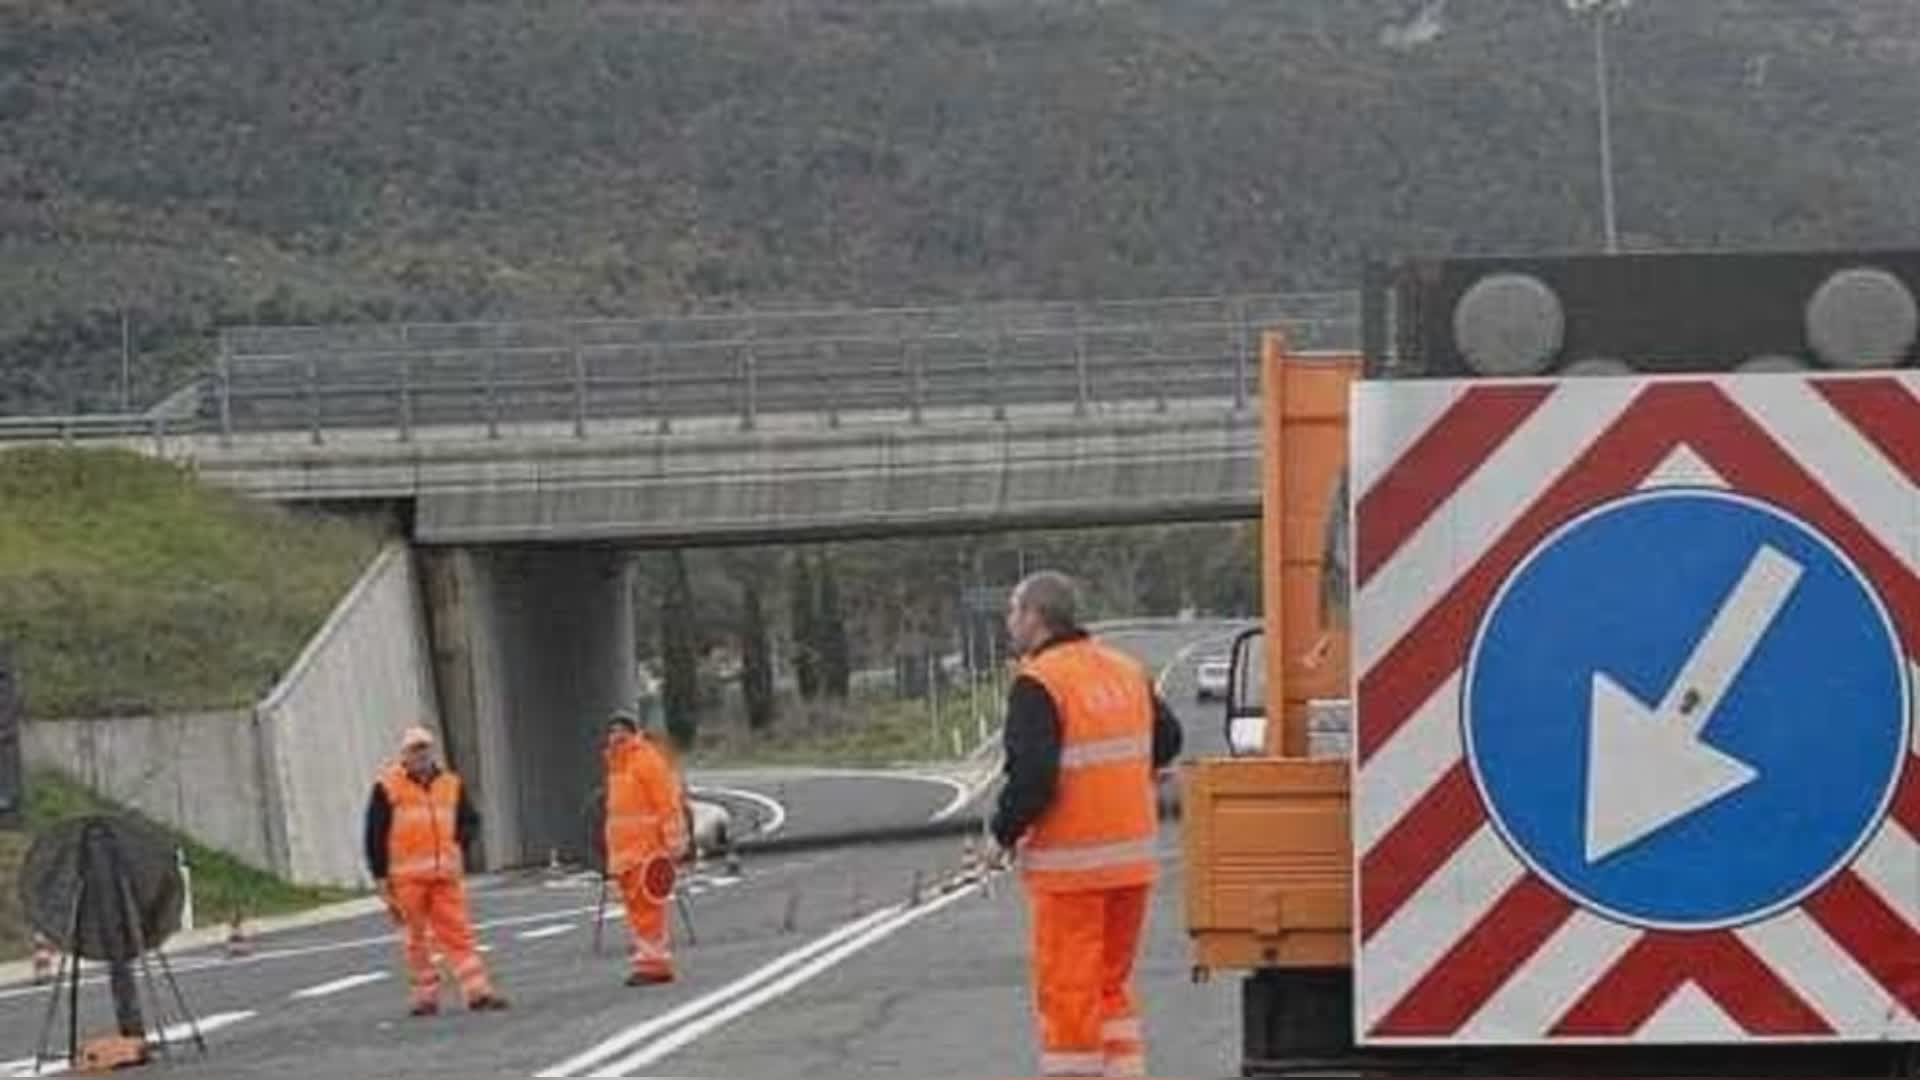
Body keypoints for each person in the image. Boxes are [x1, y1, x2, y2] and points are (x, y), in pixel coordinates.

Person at [989, 571, 1184, 1078]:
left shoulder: (1040, 682)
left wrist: (1001, 833)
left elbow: (1033, 777)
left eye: (1014, 611)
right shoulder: (1125, 669)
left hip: (1069, 871)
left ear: (1036, 616)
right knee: (1110, 987)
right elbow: (1167, 739)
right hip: (1131, 866)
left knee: (1070, 996)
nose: (1010, 622)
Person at [362, 725, 508, 1016]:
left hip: (445, 876)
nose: (422, 755)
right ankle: (425, 997)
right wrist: (380, 876)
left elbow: (470, 819)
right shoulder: (387, 786)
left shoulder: (450, 783)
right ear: (404, 754)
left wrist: (458, 843)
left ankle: (477, 992)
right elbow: (374, 834)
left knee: (458, 933)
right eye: (416, 749)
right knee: (416, 939)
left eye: (425, 748)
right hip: (407, 879)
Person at [601, 708, 689, 985]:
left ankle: (654, 965)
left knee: (648, 908)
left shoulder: (645, 760)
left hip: (647, 850)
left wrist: (674, 841)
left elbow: (667, 801)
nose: (615, 736)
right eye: (612, 731)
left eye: (620, 730)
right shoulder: (617, 765)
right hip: (626, 854)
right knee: (637, 911)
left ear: (632, 732)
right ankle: (650, 961)